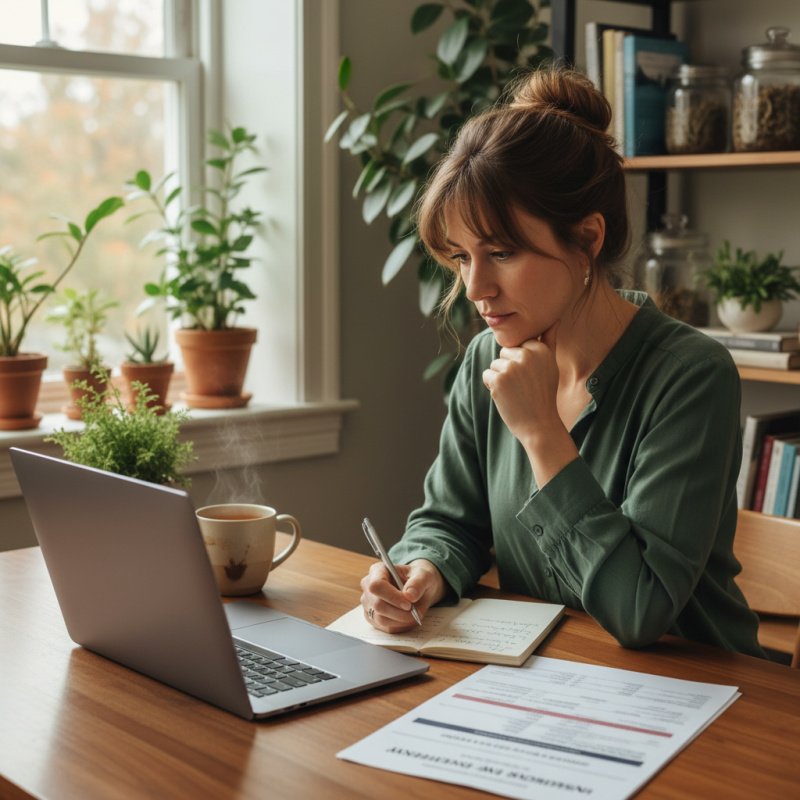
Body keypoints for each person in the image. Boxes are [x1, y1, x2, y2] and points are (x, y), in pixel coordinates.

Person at [359, 66, 764, 657]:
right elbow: (450, 522)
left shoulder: (690, 375)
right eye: (461, 257)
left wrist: (543, 433)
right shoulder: (486, 360)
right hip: (552, 680)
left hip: (706, 695)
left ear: (588, 239)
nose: (475, 288)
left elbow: (641, 611)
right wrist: (422, 569)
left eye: (500, 252)